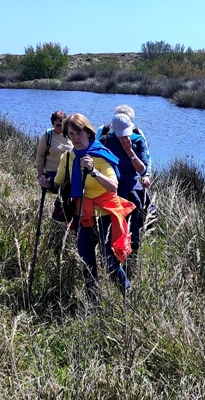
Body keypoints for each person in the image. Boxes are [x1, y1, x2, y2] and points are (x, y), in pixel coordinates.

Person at [54, 113, 135, 296]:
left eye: (79, 133)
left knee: (109, 262)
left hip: (104, 216)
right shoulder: (68, 157)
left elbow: (113, 186)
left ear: (88, 133)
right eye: (71, 134)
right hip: (82, 216)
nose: (76, 138)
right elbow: (56, 185)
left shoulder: (100, 155)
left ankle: (127, 294)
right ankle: (93, 302)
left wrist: (93, 172)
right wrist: (46, 182)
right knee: (87, 263)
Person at [99, 106, 152, 250]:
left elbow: (143, 169)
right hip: (111, 190)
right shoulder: (105, 140)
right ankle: (110, 253)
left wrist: (129, 151)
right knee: (110, 228)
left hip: (132, 191)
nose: (124, 138)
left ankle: (132, 255)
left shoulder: (138, 140)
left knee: (133, 226)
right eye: (120, 134)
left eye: (126, 134)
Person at [35, 110, 71, 189]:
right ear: (53, 124)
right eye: (58, 125)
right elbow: (40, 155)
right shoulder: (48, 135)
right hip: (52, 172)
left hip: (68, 172)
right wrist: (41, 175)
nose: (61, 128)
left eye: (63, 125)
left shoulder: (70, 134)